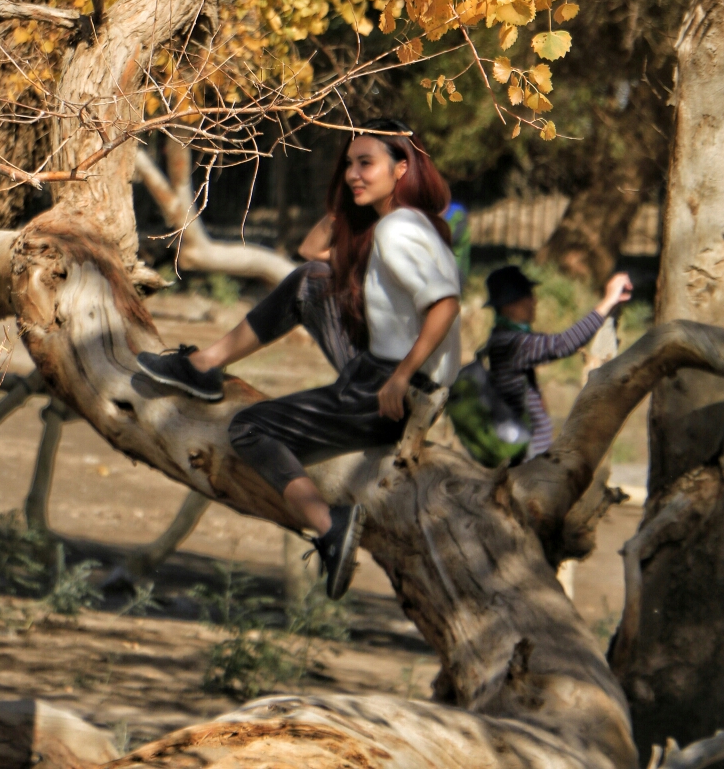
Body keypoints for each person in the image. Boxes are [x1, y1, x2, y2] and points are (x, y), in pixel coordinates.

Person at [136, 119, 462, 601]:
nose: (352, 173)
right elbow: (311, 250)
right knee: (311, 278)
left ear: (402, 169)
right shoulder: (406, 222)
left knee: (249, 429)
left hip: (392, 388)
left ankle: (330, 526)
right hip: (391, 373)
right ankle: (205, 366)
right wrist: (355, 197)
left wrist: (401, 377)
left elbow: (445, 305)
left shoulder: (396, 232)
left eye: (366, 163)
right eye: (348, 164)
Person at [482, 265, 633, 458]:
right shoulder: (512, 344)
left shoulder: (505, 338)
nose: (534, 301)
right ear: (510, 304)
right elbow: (563, 344)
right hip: (525, 460)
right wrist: (607, 301)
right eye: (528, 295)